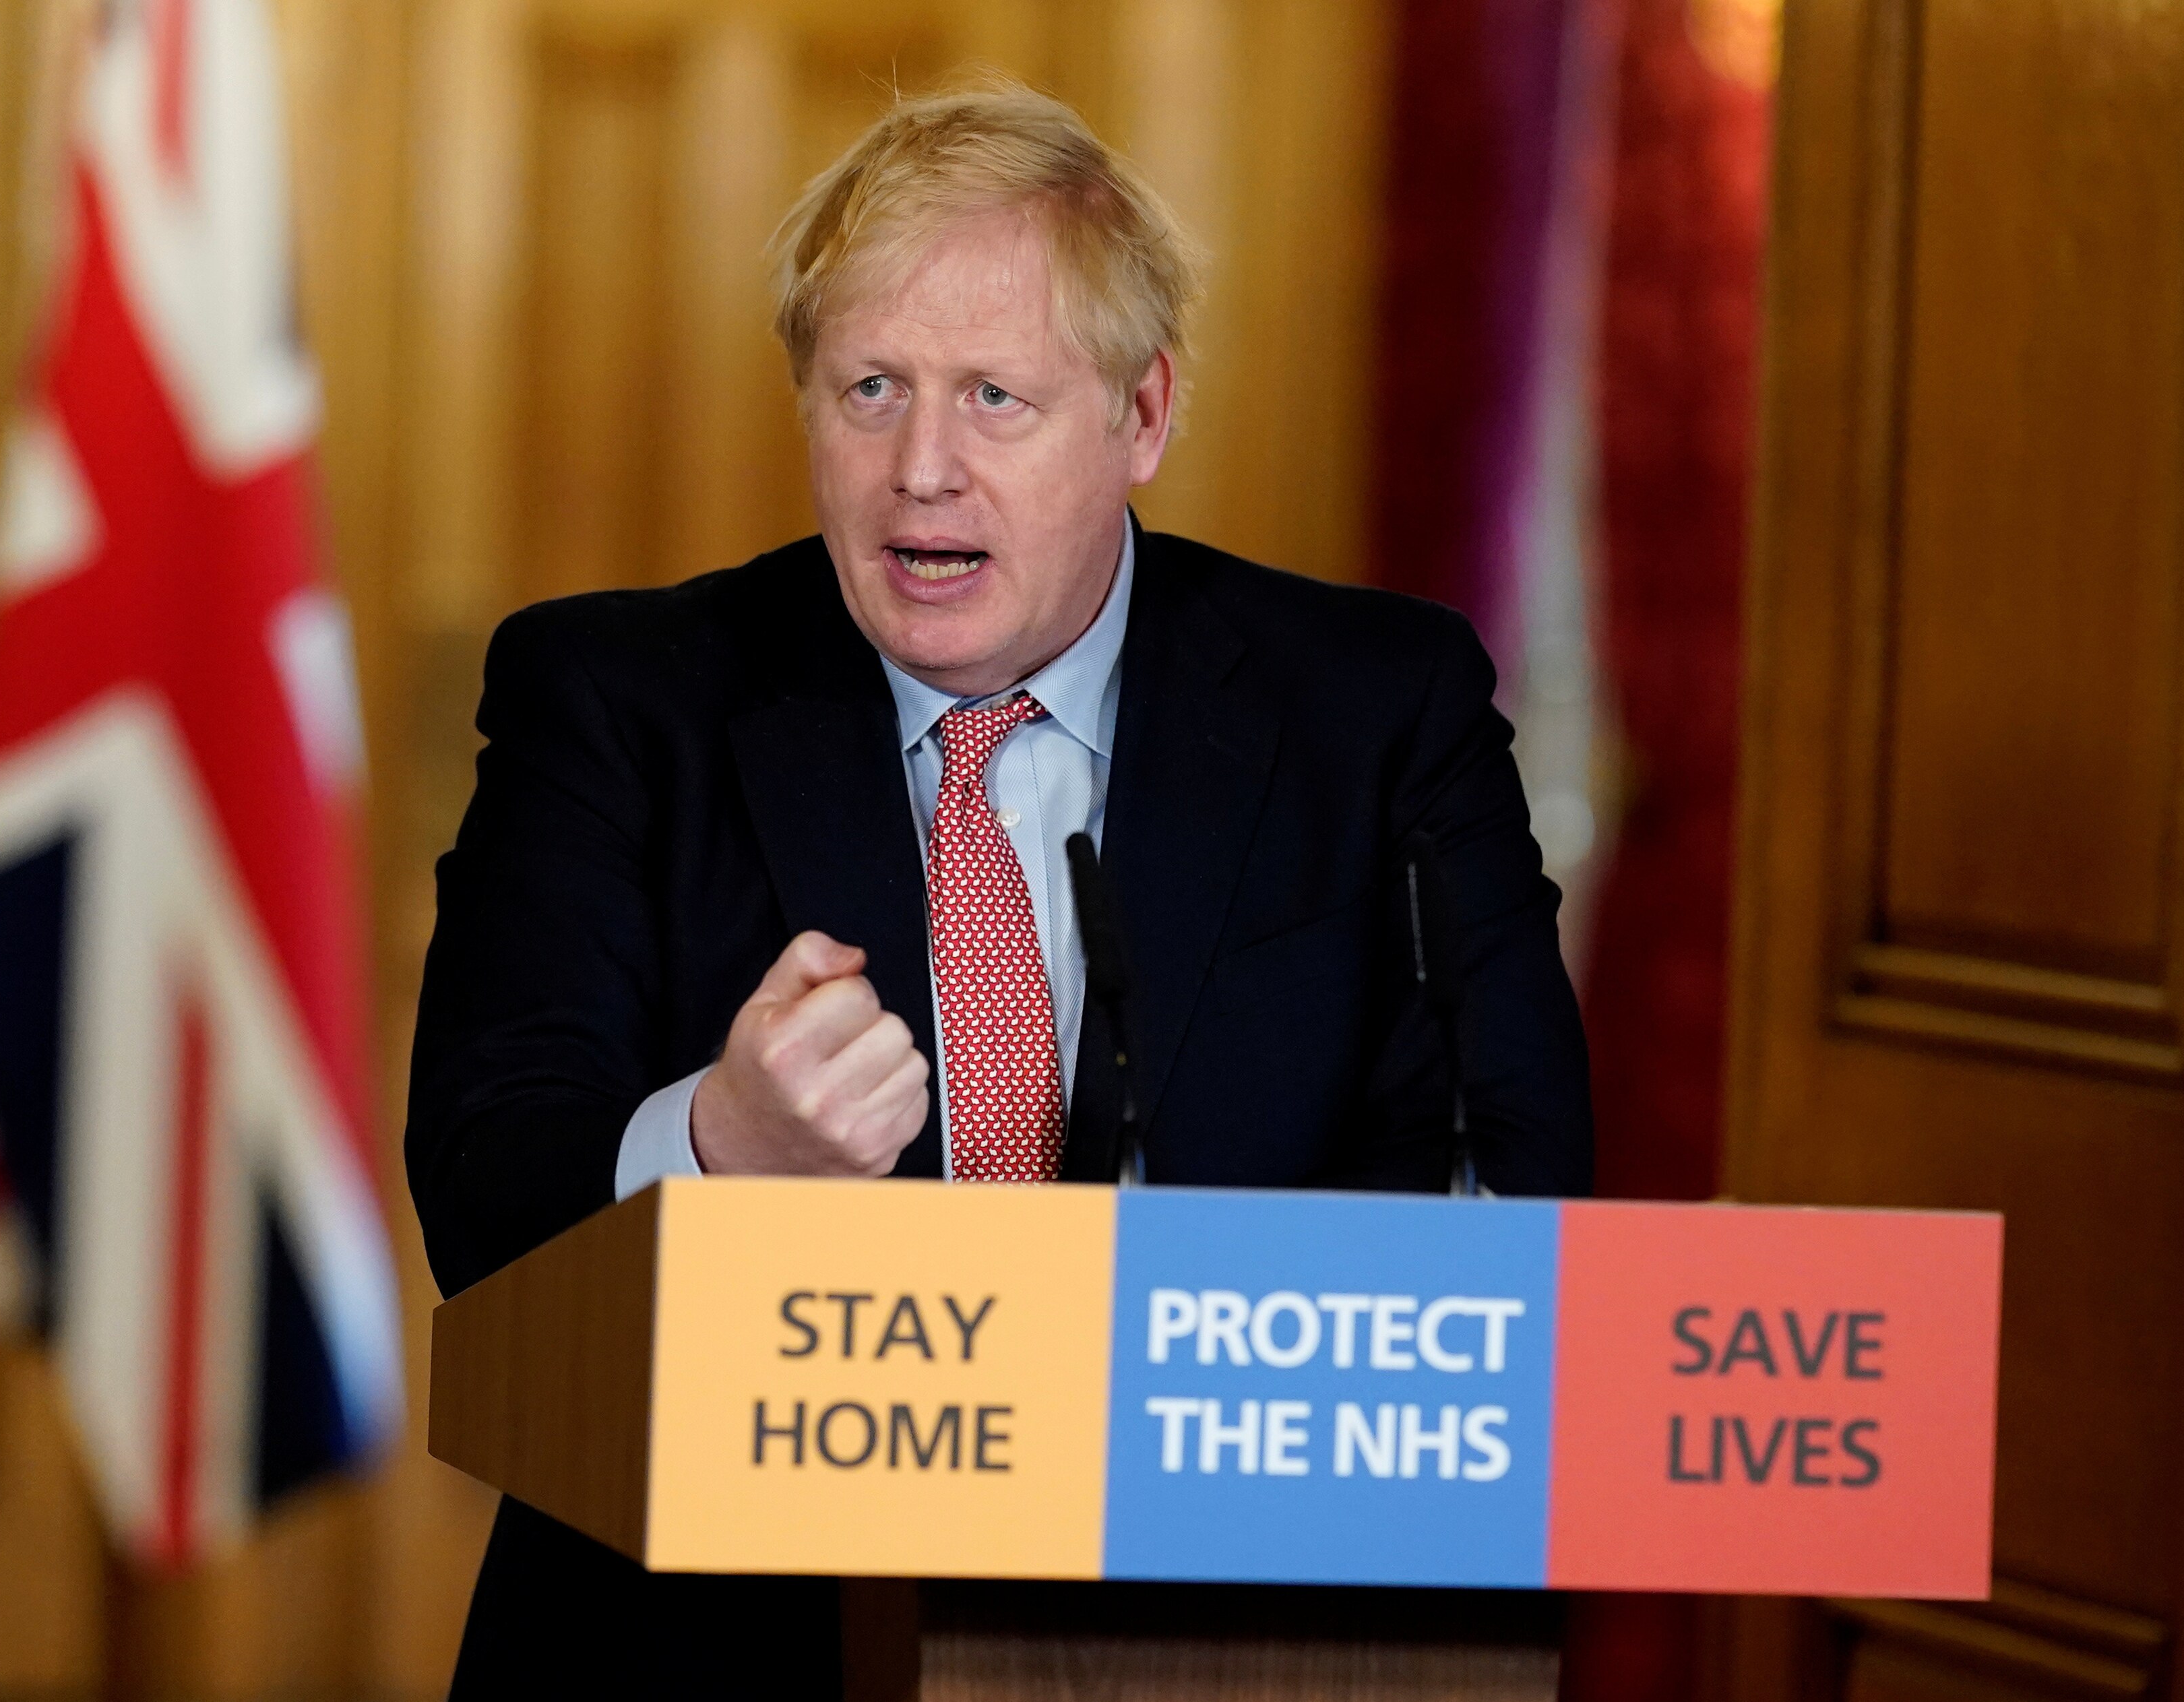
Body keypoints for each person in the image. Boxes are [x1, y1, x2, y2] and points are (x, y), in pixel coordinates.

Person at [406, 75, 1592, 1700]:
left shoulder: (1378, 712)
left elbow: (1513, 1187)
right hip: (718, 1652)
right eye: (871, 388)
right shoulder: (618, 702)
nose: (921, 472)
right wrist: (718, 1147)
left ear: (1146, 416)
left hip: (1246, 1637)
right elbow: (483, 1189)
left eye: (996, 400)